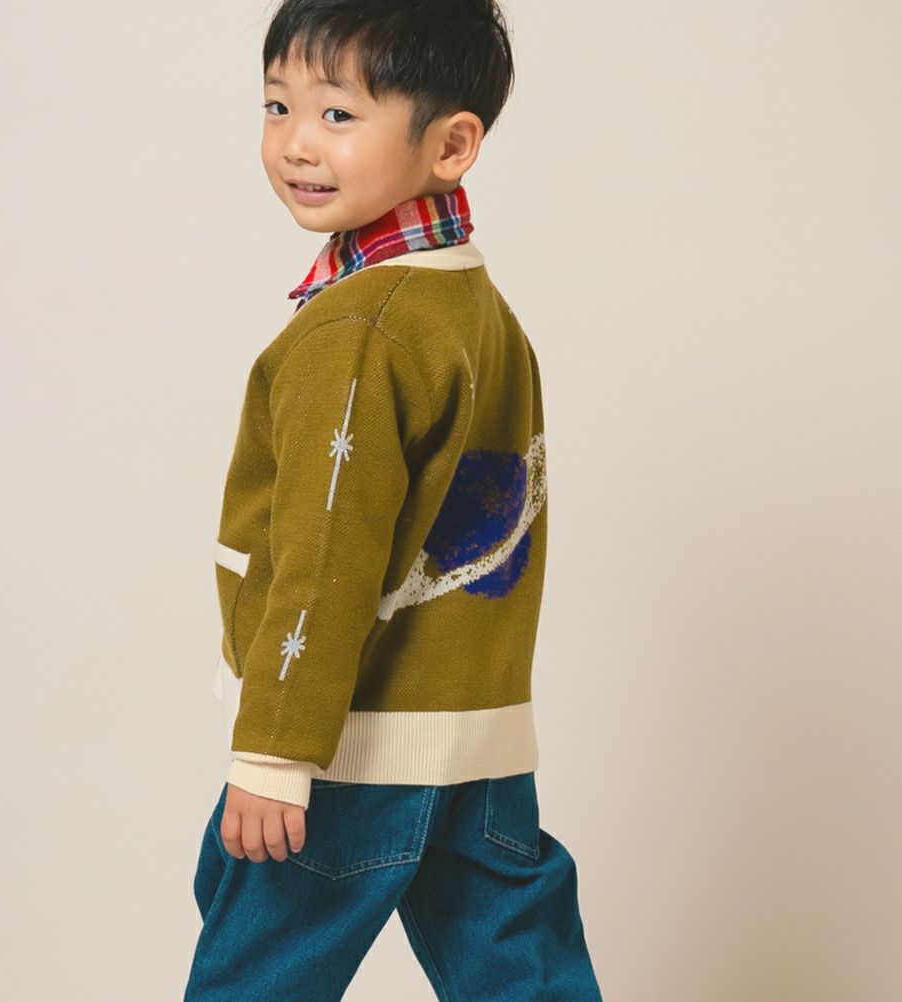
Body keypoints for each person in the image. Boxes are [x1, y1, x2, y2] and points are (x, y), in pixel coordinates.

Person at [184, 1, 603, 998]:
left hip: (350, 744)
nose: (296, 142)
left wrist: (275, 755)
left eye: (338, 114)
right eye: (278, 105)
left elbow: (325, 555)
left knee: (259, 968)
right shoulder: (471, 305)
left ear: (451, 145)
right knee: (517, 969)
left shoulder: (360, 331)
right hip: (476, 740)